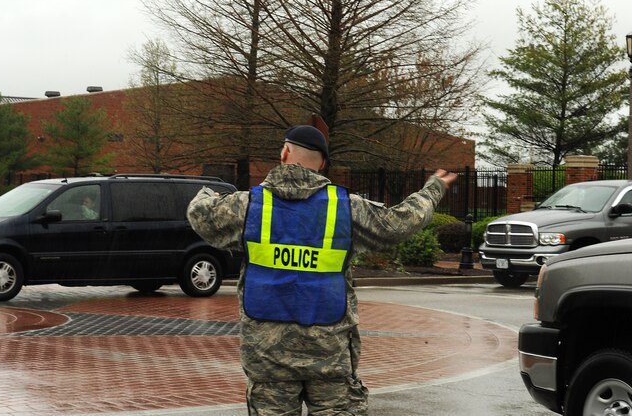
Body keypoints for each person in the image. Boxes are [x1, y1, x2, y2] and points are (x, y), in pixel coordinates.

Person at [187, 125, 456, 415]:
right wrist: (433, 189)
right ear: (323, 164)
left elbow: (200, 215)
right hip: (330, 355)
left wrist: (205, 193)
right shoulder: (346, 208)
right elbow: (399, 223)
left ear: (284, 153)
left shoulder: (248, 206)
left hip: (268, 357)